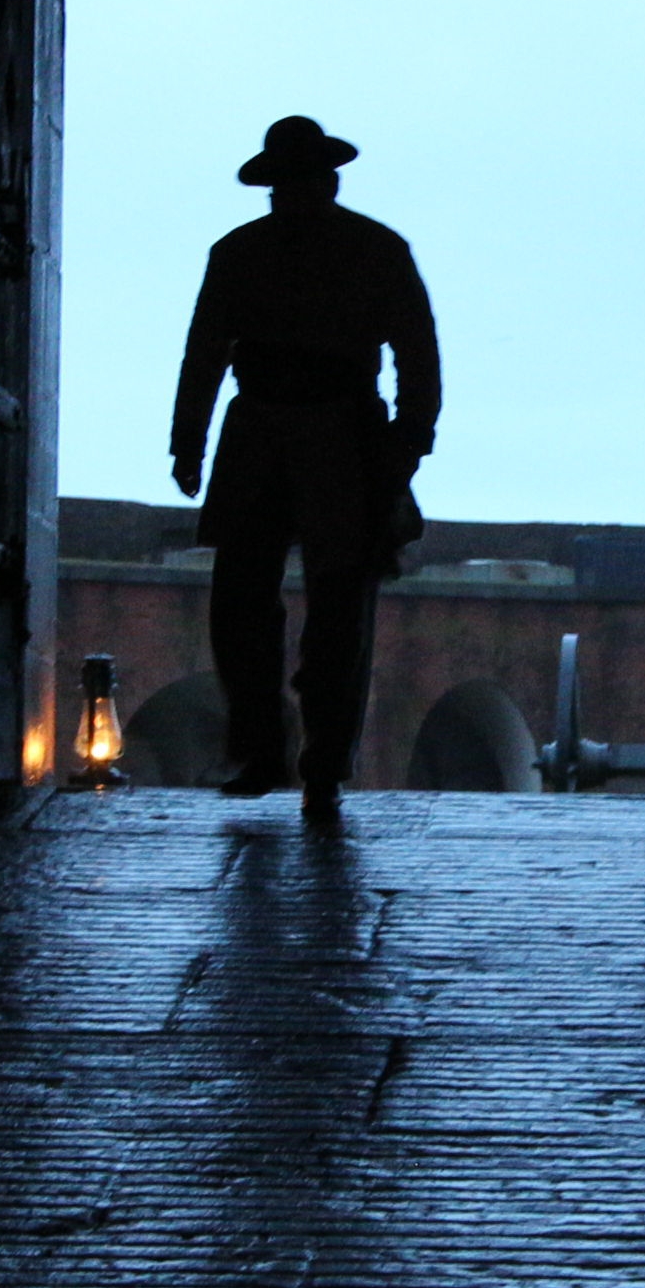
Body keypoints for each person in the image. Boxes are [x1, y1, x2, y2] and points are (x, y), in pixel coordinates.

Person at [168, 113, 439, 818]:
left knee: (290, 606)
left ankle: (290, 755)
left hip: (288, 432)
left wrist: (189, 442)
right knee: (310, 607)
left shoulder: (241, 252)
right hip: (327, 437)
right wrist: (408, 440)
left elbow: (203, 354)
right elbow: (415, 352)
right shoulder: (374, 248)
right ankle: (303, 758)